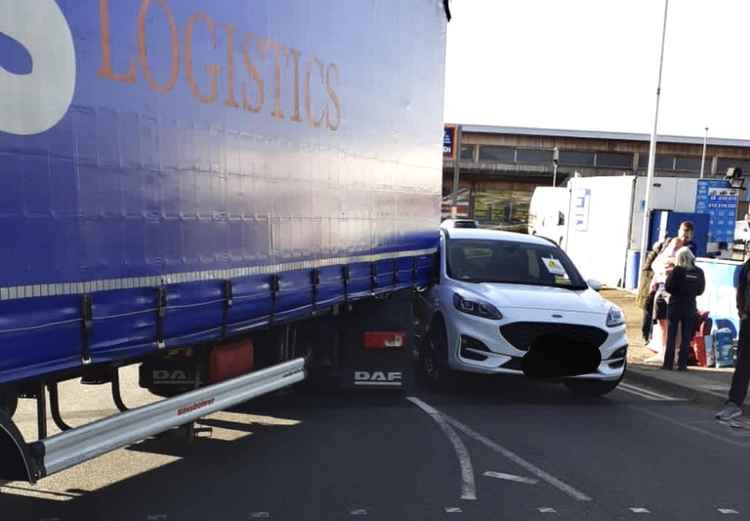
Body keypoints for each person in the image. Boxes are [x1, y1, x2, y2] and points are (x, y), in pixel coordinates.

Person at [716, 258, 750, 421]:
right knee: (743, 363)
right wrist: (741, 311)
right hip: (748, 319)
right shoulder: (747, 266)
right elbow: (741, 289)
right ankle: (734, 403)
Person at [662, 247, 705, 371]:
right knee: (686, 337)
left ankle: (668, 364)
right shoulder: (699, 272)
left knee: (672, 336)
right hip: (690, 306)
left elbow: (668, 287)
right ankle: (682, 365)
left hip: (675, 305)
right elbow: (700, 290)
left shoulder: (676, 271)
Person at [636, 241, 664, 343]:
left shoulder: (654, 262)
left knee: (651, 315)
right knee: (648, 315)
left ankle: (649, 336)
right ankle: (646, 336)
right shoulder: (651, 264)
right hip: (648, 293)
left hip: (651, 293)